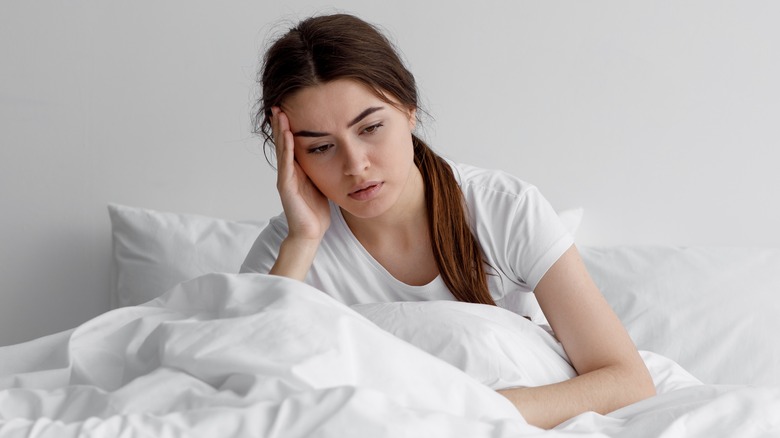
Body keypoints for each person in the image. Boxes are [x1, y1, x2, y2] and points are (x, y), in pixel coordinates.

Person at [240, 13, 655, 429]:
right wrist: (302, 241)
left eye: (370, 127)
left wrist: (465, 414)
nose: (356, 165)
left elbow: (627, 379)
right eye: (322, 147)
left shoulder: (504, 209)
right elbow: (243, 379)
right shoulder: (290, 247)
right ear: (290, 155)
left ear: (408, 109)